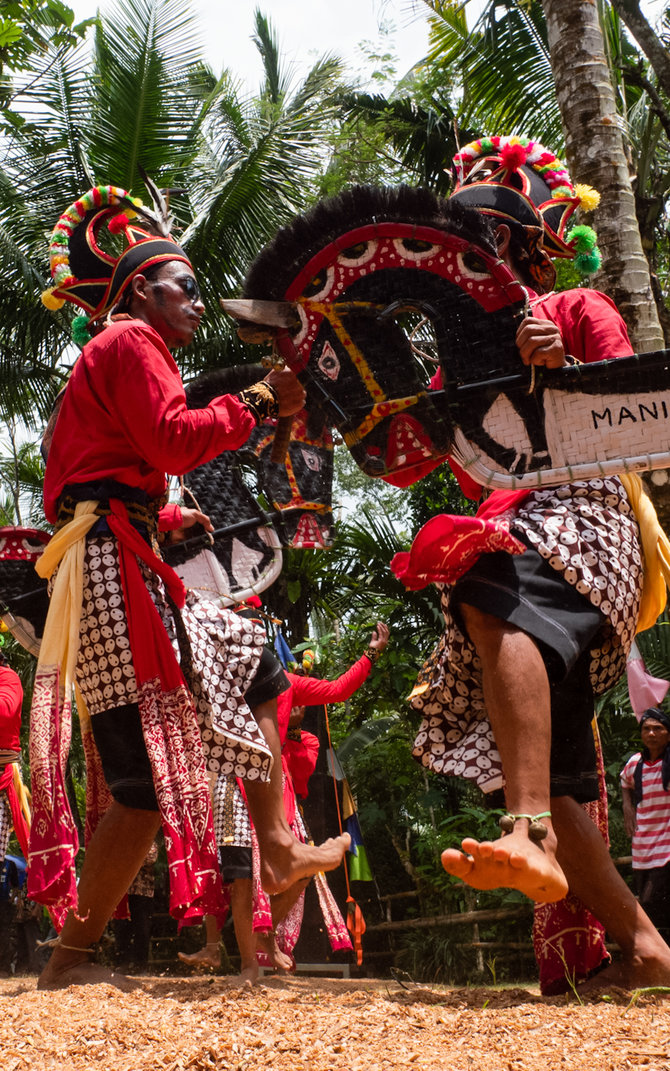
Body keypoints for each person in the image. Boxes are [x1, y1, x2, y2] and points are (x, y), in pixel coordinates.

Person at [30, 183, 349, 991]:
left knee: (237, 681)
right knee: (166, 759)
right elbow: (173, 437)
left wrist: (160, 519)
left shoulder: (112, 353)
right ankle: (77, 956)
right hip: (111, 561)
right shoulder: (132, 343)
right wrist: (254, 403)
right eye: (188, 287)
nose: (199, 305)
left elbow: (92, 471)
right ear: (140, 288)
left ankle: (270, 849)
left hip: (113, 550)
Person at [394, 136, 670, 989]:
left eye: (492, 240)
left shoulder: (581, 303)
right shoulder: (463, 353)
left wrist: (570, 363)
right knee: (562, 782)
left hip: (591, 519)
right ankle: (650, 950)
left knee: (488, 587)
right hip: (525, 526)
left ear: (523, 245)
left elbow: (638, 401)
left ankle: (529, 833)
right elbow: (409, 456)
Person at [180, 622, 389, 979]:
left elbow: (338, 689)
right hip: (230, 781)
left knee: (300, 873)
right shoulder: (216, 675)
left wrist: (370, 655)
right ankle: (242, 960)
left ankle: (264, 936)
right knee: (236, 872)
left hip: (277, 792)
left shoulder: (284, 681)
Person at [621, 707, 670, 942]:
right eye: (646, 729)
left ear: (668, 734)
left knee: (651, 901)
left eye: (658, 729)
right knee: (649, 900)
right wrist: (627, 807)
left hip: (666, 846)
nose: (651, 733)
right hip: (642, 846)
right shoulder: (635, 764)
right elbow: (624, 783)